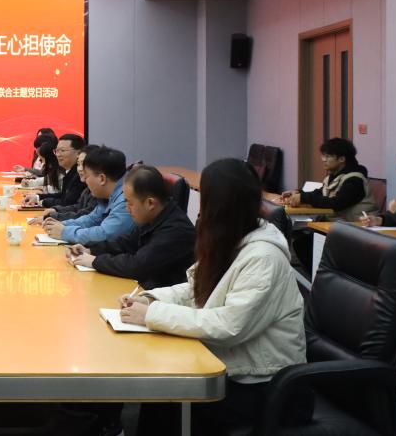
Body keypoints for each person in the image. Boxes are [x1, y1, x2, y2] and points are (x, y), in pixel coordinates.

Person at [128, 158, 306, 434]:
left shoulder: (263, 256)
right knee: (159, 392)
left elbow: (229, 326)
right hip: (230, 366)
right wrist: (150, 299)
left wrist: (153, 315)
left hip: (262, 385)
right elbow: (194, 288)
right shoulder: (231, 239)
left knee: (165, 395)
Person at [67, 165, 195, 289]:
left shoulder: (176, 230)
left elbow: (138, 265)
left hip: (159, 297)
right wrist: (90, 250)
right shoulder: (152, 217)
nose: (127, 209)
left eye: (130, 203)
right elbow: (125, 243)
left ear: (150, 203)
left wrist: (94, 261)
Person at [41, 146, 135, 244]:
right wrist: (61, 224)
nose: (85, 181)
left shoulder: (126, 200)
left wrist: (64, 232)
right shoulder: (107, 197)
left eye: (86, 177)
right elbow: (92, 219)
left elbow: (105, 234)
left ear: (102, 179)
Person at [280, 137, 374, 221]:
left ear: (342, 159)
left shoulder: (355, 180)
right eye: (323, 156)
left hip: (356, 226)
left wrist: (304, 197)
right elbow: (320, 194)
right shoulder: (333, 176)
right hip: (337, 224)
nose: (323, 159)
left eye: (328, 156)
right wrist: (298, 193)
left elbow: (336, 203)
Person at [30, 147, 99, 226]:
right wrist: (56, 210)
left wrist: (54, 217)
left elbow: (83, 216)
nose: (58, 155)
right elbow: (77, 207)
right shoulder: (87, 189)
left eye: (62, 150)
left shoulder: (97, 192)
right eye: (78, 164)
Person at [24, 134, 87, 208]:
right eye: (56, 151)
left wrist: (43, 201)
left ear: (78, 153)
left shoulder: (80, 174)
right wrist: (38, 197)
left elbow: (67, 203)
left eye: (62, 150)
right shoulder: (70, 171)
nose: (58, 155)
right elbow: (63, 196)